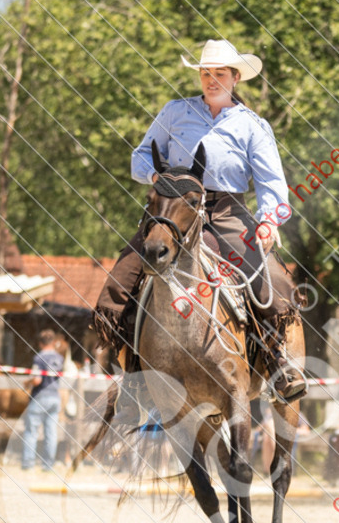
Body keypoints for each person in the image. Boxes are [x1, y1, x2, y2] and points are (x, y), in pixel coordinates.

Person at [93, 39, 306, 409]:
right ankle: (129, 371)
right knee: (121, 279)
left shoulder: (253, 126)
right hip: (174, 210)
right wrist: (158, 176)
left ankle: (279, 364)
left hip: (227, 214)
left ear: (236, 77)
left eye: (219, 74)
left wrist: (270, 221)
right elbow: (139, 157)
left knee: (275, 283)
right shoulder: (174, 112)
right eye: (205, 73)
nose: (211, 80)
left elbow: (274, 186)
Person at [21, 329, 65, 471]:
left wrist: (28, 382)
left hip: (40, 398)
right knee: (51, 433)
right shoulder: (59, 358)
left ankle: (28, 463)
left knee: (31, 431)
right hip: (54, 397)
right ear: (53, 342)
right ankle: (48, 465)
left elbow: (37, 380)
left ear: (40, 343)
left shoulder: (39, 358)